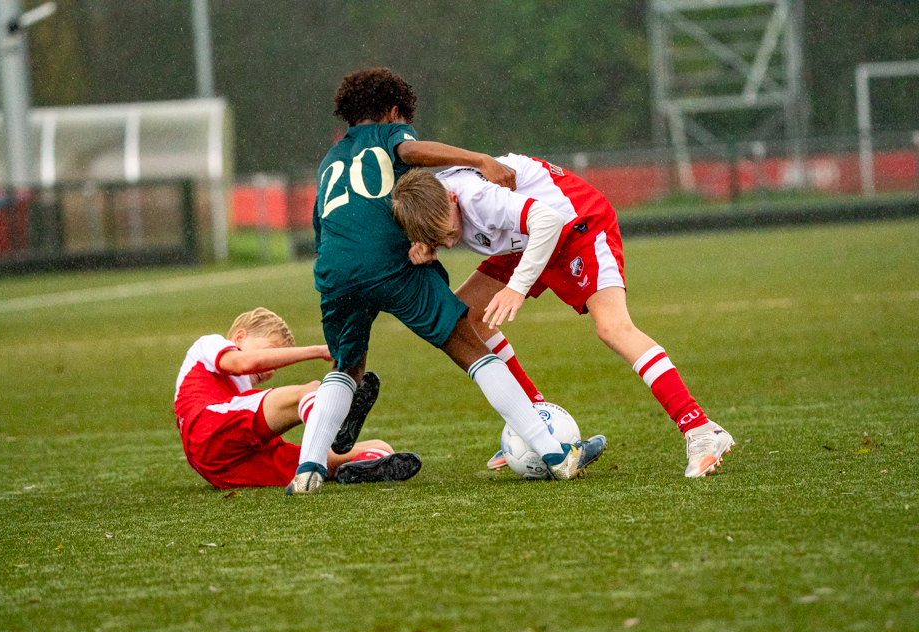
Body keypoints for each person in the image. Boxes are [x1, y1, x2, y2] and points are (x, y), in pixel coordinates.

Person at [287, 68, 606, 494]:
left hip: (333, 268)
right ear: (393, 110)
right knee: (470, 347)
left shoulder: (329, 161)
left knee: (346, 366)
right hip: (388, 264)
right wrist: (477, 159)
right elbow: (413, 150)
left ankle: (307, 468)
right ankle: (556, 454)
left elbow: (323, 227)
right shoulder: (388, 133)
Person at [390, 156, 736, 478]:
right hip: (525, 240)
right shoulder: (431, 204)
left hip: (577, 226)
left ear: (452, 198)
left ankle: (700, 428)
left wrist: (518, 287)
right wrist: (430, 242)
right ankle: (537, 424)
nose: (450, 243)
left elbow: (548, 220)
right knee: (464, 322)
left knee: (613, 328)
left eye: (449, 234)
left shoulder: (479, 198)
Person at [174, 307, 422, 489]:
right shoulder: (211, 345)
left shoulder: (242, 397)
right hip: (207, 430)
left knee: (379, 448)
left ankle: (362, 464)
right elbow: (243, 363)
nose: (271, 369)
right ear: (240, 337)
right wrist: (320, 351)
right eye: (274, 353)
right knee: (311, 390)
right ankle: (338, 422)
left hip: (228, 466)